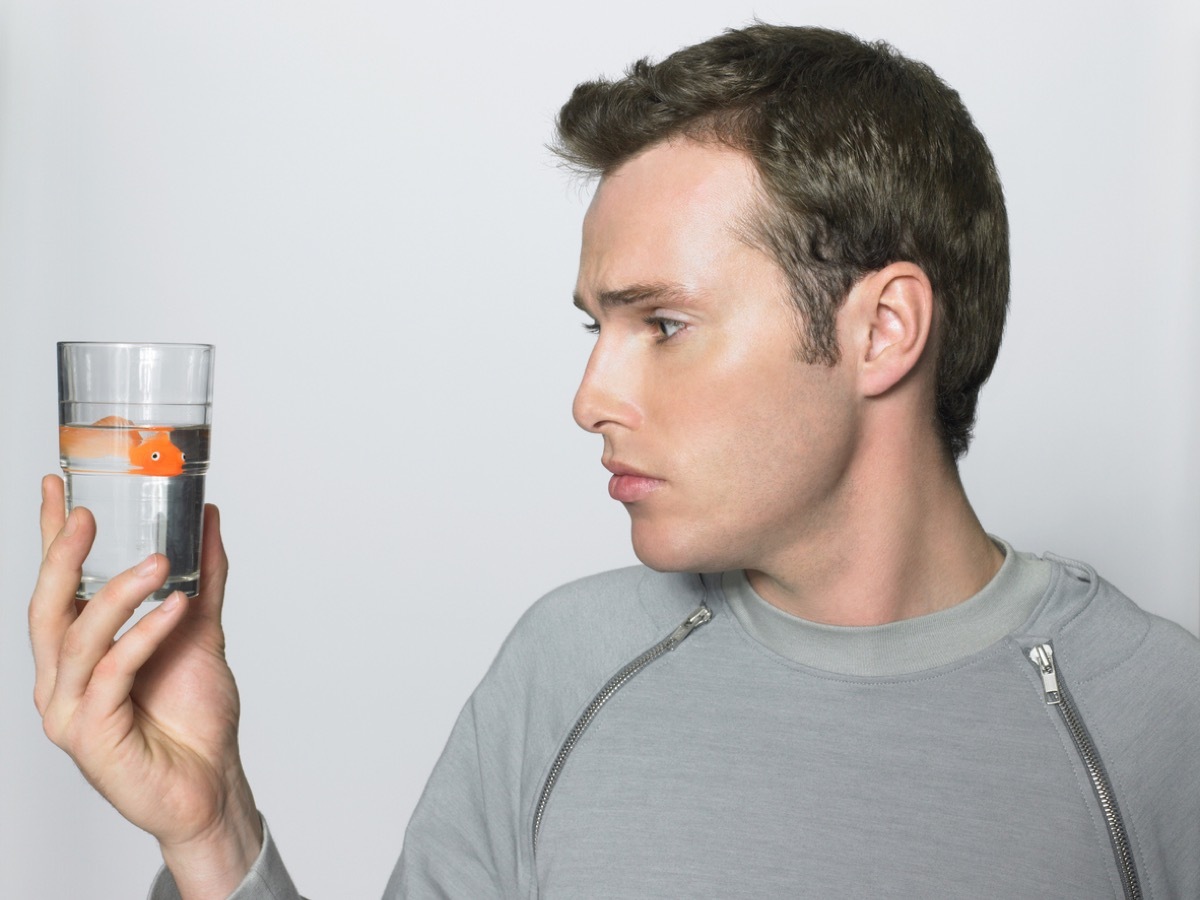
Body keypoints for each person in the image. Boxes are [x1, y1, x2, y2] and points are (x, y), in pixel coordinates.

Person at [30, 23, 1199, 900]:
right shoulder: (565, 669)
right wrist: (210, 831)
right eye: (598, 327)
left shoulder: (1161, 724)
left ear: (883, 330)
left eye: (664, 325)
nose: (591, 398)